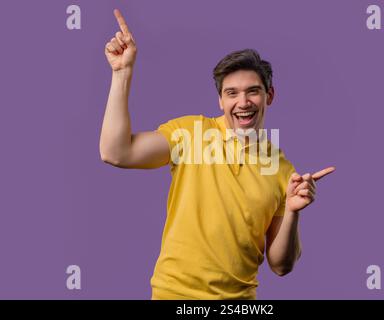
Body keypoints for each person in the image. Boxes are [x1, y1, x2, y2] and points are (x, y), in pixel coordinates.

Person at [100, 9, 335, 300]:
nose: (243, 102)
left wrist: (292, 212)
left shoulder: (283, 169)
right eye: (232, 93)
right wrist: (122, 73)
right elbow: (116, 152)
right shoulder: (190, 133)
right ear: (220, 100)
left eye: (253, 91)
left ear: (269, 96)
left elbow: (281, 265)